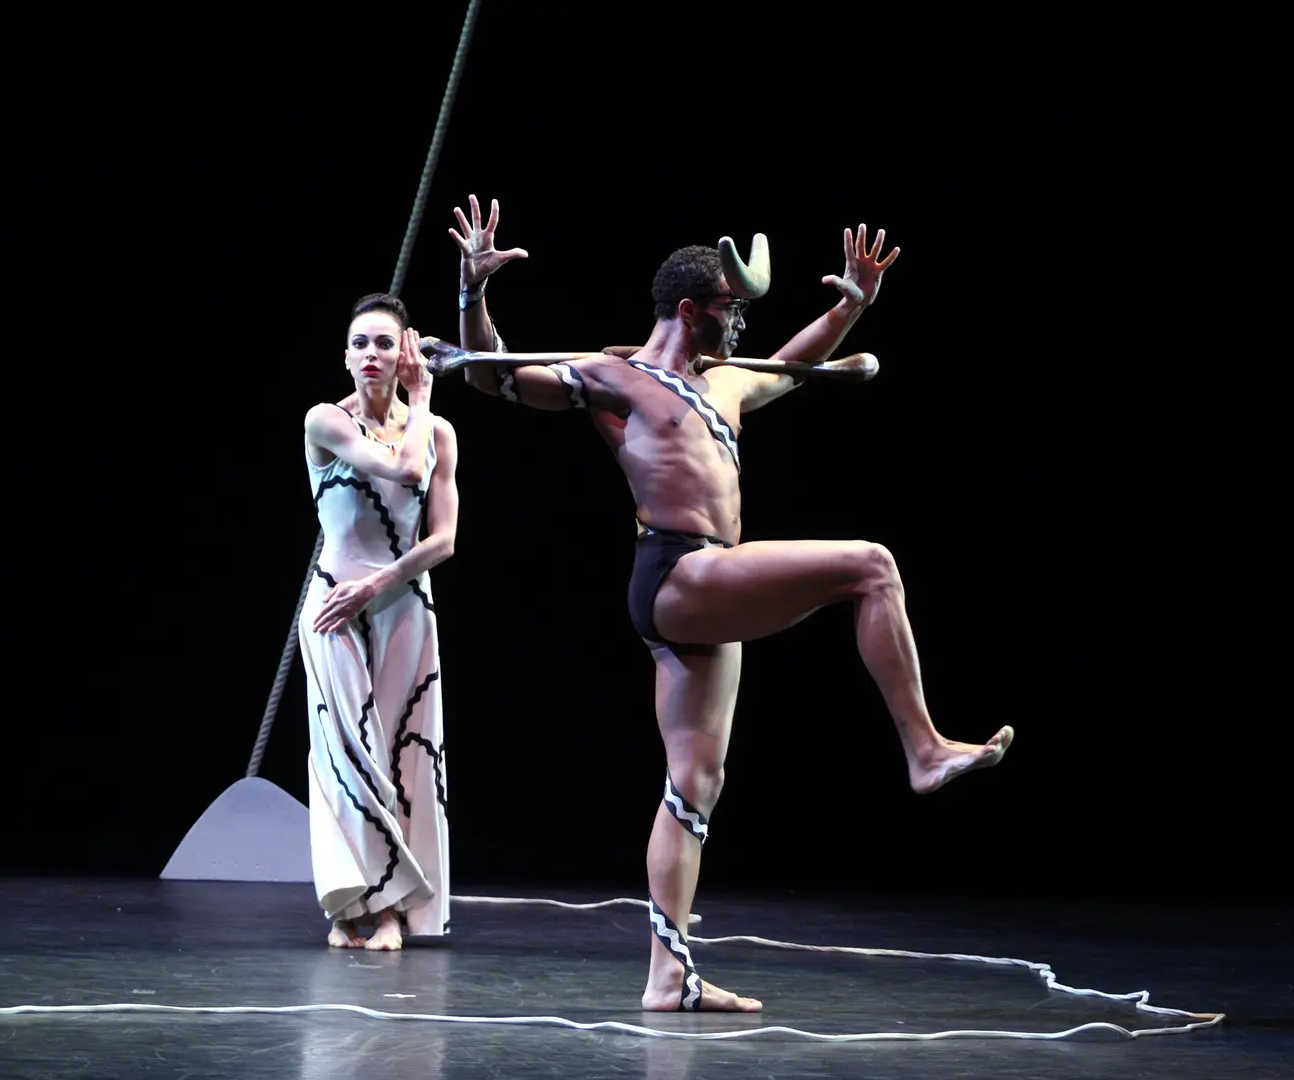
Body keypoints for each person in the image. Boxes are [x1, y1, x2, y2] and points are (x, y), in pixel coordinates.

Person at [447, 195, 1014, 1012]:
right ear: (688, 310)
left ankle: (667, 976)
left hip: (709, 589)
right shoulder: (617, 381)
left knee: (692, 785)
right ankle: (922, 750)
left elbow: (795, 360)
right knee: (871, 566)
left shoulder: (725, 386)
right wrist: (472, 292)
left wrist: (849, 305)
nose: (740, 327)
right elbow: (495, 374)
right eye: (730, 312)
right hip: (678, 576)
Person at [299, 293, 459, 951]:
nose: (371, 354)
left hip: (401, 611)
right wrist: (420, 405)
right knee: (349, 759)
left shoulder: (438, 429)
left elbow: (445, 539)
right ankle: (366, 907)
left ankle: (390, 908)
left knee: (403, 757)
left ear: (406, 353)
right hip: (337, 607)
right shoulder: (324, 422)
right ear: (345, 355)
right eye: (360, 343)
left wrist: (385, 584)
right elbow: (401, 467)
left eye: (383, 343)